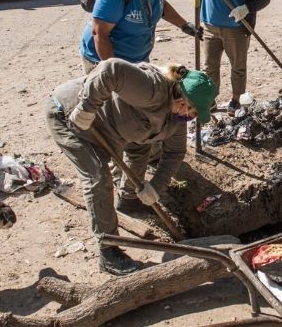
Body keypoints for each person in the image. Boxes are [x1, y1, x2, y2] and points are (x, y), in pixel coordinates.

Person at [46, 58, 217, 275]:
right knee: (98, 177)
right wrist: (86, 108)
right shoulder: (151, 89)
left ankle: (128, 201)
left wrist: (155, 186)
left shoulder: (177, 118)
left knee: (141, 146)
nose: (192, 119)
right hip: (71, 117)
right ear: (183, 101)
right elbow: (111, 69)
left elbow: (175, 152)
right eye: (193, 113)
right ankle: (108, 251)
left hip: (116, 128)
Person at [179, 0, 271, 115]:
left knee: (238, 66)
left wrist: (246, 8)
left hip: (237, 29)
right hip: (210, 26)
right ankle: (210, 99)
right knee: (209, 66)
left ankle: (236, 100)